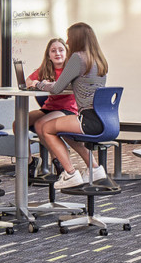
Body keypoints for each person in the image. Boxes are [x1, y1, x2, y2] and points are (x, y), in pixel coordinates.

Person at [33, 22, 108, 189]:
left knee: (45, 127)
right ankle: (94, 168)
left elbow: (57, 88)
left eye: (69, 38)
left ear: (77, 39)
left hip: (88, 119)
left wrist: (39, 84)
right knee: (64, 132)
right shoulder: (99, 59)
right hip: (103, 119)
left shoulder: (77, 58)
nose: (67, 42)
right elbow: (77, 85)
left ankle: (70, 173)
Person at [24, 38, 76, 173]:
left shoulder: (70, 69)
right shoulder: (46, 69)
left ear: (67, 53)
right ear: (48, 55)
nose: (57, 53)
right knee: (18, 123)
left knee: (41, 124)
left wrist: (43, 84)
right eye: (53, 51)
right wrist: (36, 82)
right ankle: (30, 162)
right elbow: (28, 81)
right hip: (49, 108)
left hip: (67, 109)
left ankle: (58, 159)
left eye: (61, 50)